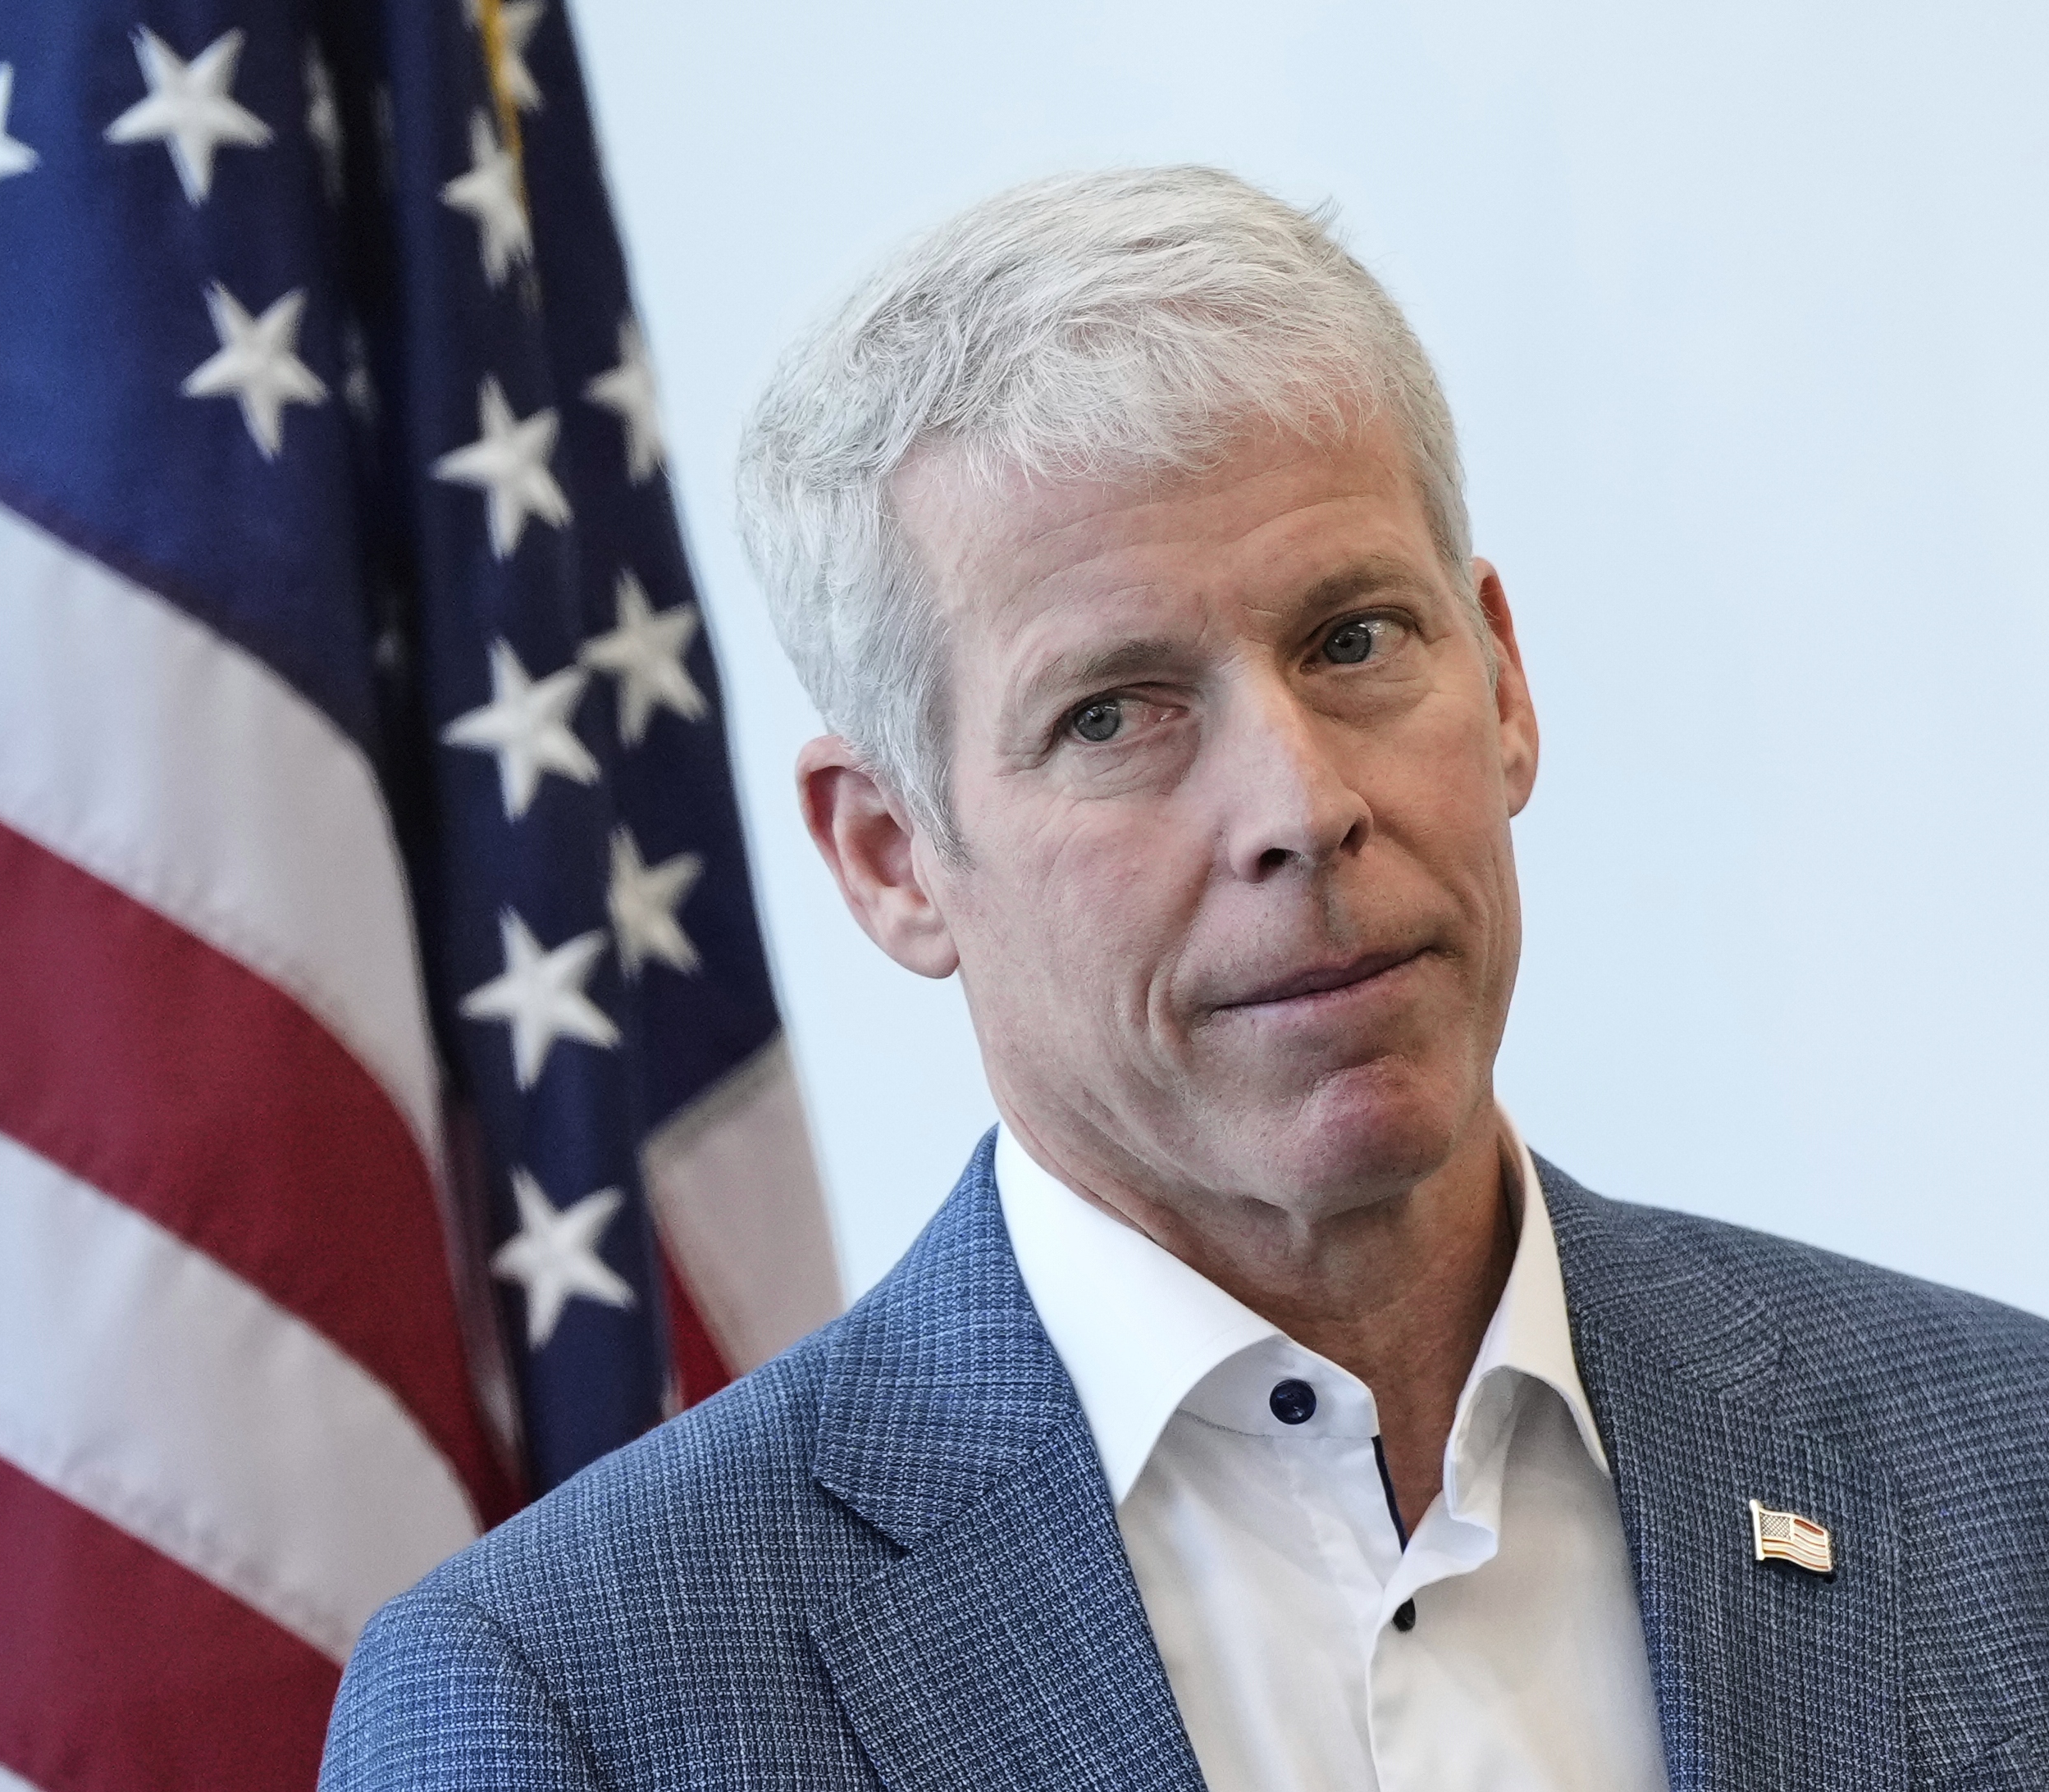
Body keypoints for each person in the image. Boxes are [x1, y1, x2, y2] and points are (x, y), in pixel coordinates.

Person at [320, 167, 2049, 1791]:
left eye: (1352, 638)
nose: (1301, 806)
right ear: (889, 855)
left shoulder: (2004, 1468)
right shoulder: (567, 1701)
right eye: (1111, 714)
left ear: (1502, 679)